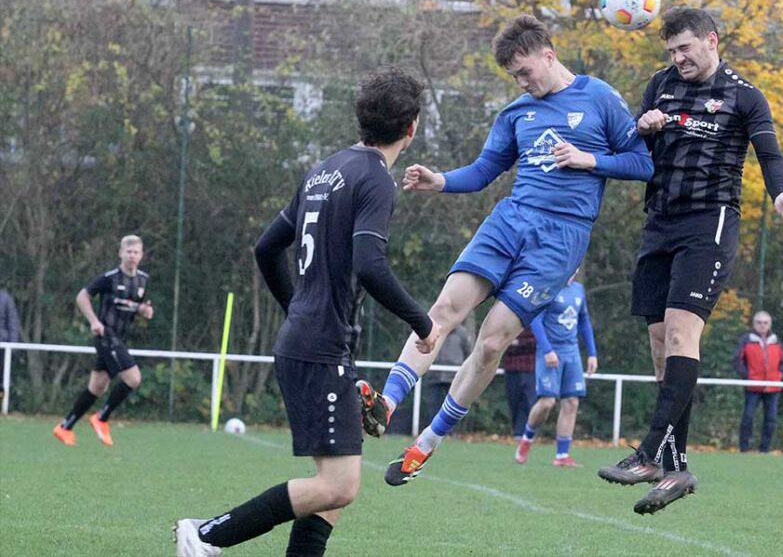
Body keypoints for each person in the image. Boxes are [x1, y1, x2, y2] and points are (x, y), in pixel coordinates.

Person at [357, 15, 653, 486]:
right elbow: (482, 171)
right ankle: (387, 402)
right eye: (513, 77)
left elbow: (644, 163)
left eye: (523, 72)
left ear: (547, 56)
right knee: (443, 310)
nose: (521, 82)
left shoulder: (599, 98)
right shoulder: (517, 113)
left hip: (561, 239)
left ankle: (426, 444)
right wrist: (441, 181)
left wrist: (588, 160)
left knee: (492, 342)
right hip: (510, 220)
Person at [173, 68, 438, 557]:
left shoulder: (324, 169)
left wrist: (296, 307)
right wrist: (422, 323)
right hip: (320, 347)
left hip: (313, 339)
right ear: (412, 127)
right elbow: (370, 265)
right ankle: (206, 534)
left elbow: (265, 248)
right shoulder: (375, 178)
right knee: (339, 485)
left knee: (334, 486)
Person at [598, 7, 783, 515]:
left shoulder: (745, 95)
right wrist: (641, 126)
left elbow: (770, 155)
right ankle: (675, 468)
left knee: (679, 335)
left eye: (685, 48)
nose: (678, 58)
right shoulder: (660, 85)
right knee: (658, 346)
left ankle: (649, 453)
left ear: (711, 41)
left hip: (708, 224)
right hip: (659, 222)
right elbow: (630, 147)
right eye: (671, 51)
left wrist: (780, 195)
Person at [52, 235, 153, 447]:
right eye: (128, 251)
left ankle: (65, 426)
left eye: (136, 252)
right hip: (106, 336)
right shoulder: (110, 278)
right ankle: (101, 418)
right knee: (133, 379)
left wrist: (145, 311)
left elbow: (139, 307)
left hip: (119, 338)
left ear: (142, 255)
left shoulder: (143, 280)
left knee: (97, 387)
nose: (132, 256)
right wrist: (93, 321)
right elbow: (82, 296)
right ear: (121, 253)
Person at [514, 272, 597, 468]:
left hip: (572, 352)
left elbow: (584, 321)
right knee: (547, 402)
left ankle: (561, 455)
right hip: (550, 352)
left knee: (572, 402)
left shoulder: (578, 290)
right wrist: (547, 349)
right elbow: (536, 320)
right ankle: (527, 438)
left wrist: (592, 353)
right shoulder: (549, 286)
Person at [733, 311, 783, 453]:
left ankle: (765, 449)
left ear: (769, 324)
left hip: (773, 387)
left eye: (765, 322)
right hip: (753, 387)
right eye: (759, 322)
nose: (762, 325)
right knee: (748, 417)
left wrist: (779, 376)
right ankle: (744, 449)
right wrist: (748, 377)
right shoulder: (746, 340)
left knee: (771, 419)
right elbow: (737, 361)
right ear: (754, 323)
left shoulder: (776, 341)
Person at [423, 323, 475, 424]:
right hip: (435, 375)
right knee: (433, 404)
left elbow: (468, 353)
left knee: (453, 406)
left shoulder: (462, 333)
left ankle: (451, 431)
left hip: (454, 377)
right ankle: (431, 429)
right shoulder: (434, 331)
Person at [503, 326, 537, 437]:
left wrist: (518, 343)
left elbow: (536, 342)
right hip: (511, 369)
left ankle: (527, 432)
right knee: (514, 400)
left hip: (530, 369)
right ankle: (517, 432)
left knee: (528, 402)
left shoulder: (535, 322)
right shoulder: (509, 322)